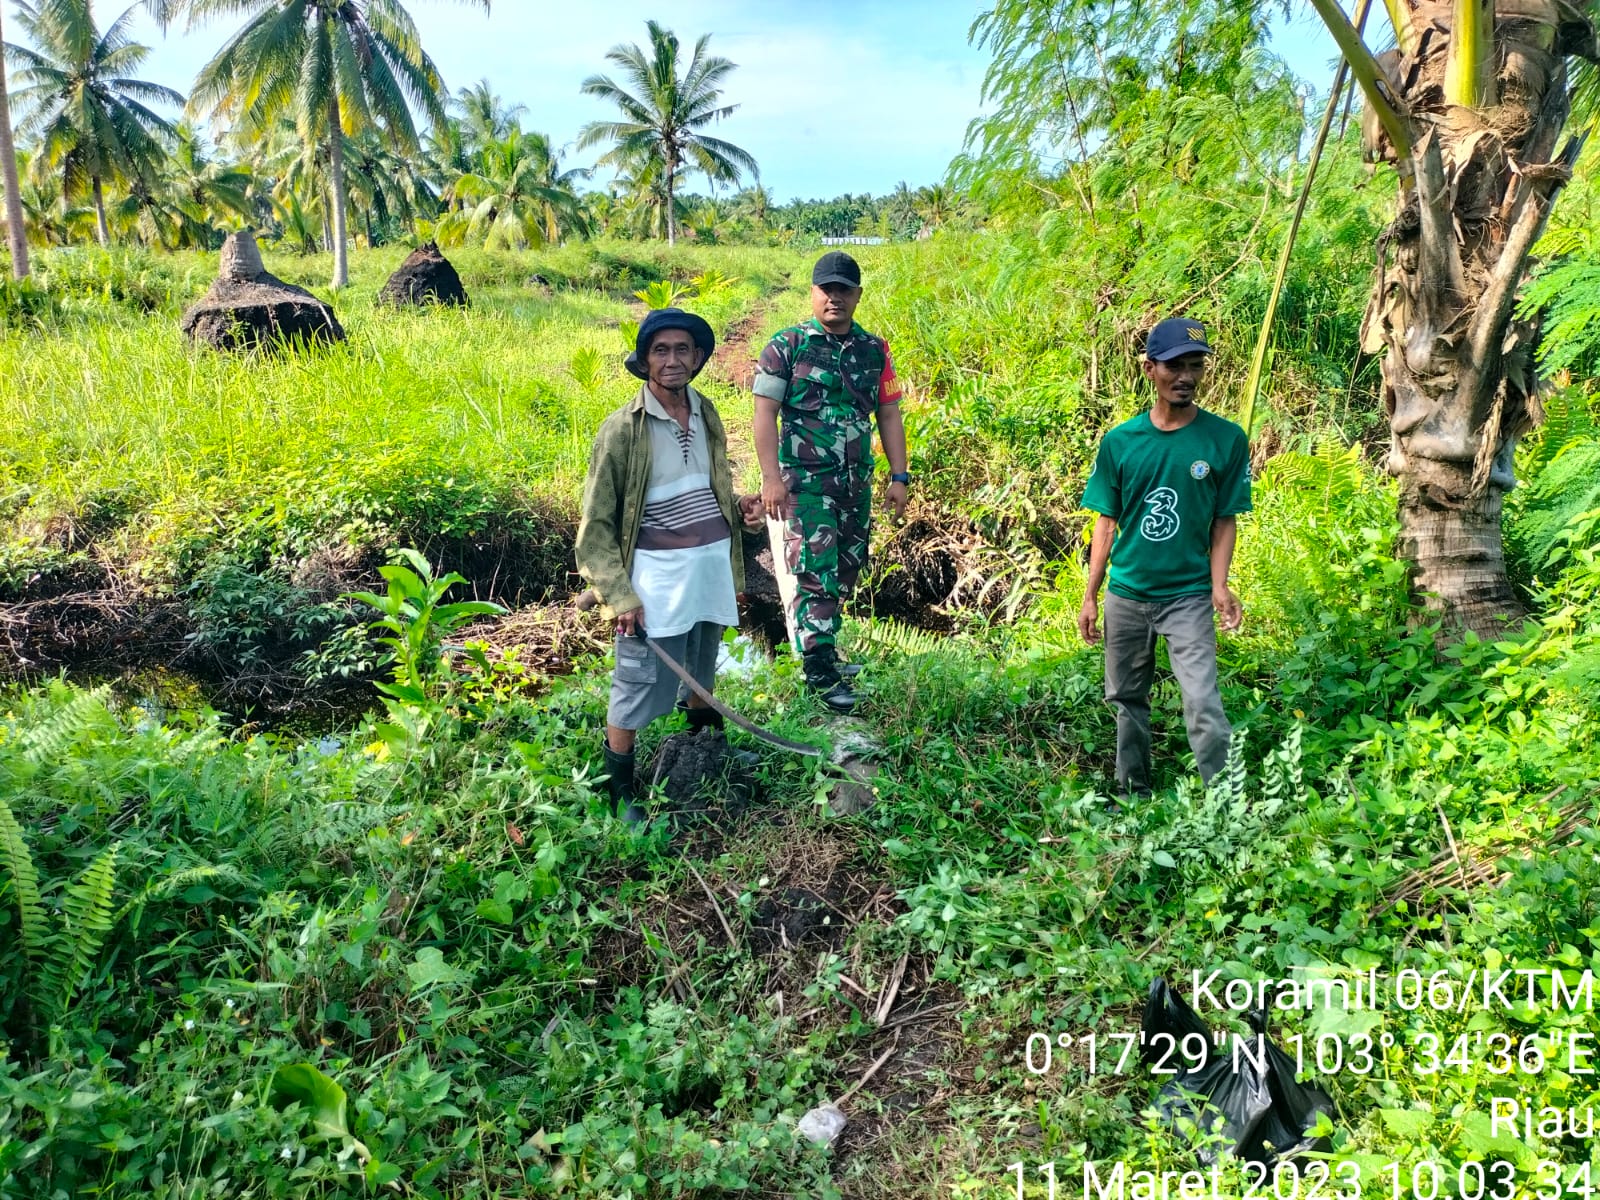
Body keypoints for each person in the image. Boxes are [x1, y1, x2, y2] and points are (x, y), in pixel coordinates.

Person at [575, 307, 762, 825]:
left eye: (683, 350)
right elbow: (595, 528)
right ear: (644, 360)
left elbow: (710, 488)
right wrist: (619, 594)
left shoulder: (707, 413)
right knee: (638, 685)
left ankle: (706, 757)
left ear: (698, 357)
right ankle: (620, 791)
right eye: (661, 350)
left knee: (702, 669)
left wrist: (742, 513)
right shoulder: (621, 431)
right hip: (655, 582)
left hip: (707, 573)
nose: (673, 360)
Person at [1077, 317, 1250, 797]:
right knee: (1127, 699)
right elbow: (1106, 523)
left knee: (1202, 700)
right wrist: (1090, 596)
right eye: (1175, 365)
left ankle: (1227, 802)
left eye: (1196, 365)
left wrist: (1219, 585)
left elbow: (1224, 520)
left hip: (1188, 596)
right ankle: (1133, 792)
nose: (1187, 376)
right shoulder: (1121, 442)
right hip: (1127, 595)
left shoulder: (1224, 439)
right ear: (1149, 369)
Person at [752, 251, 910, 713]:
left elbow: (888, 413)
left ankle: (826, 650)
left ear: (857, 295)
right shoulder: (787, 346)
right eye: (827, 289)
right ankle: (819, 669)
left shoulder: (874, 349)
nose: (835, 297)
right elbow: (764, 415)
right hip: (805, 485)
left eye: (844, 289)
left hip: (856, 484)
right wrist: (770, 479)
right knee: (813, 571)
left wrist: (899, 475)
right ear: (813, 293)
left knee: (846, 569)